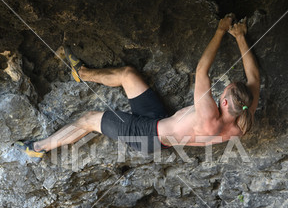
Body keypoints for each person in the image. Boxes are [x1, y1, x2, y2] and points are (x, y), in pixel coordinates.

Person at [17, 14, 260, 159]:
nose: (222, 90)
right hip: (158, 121)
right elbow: (254, 78)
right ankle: (82, 73)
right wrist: (239, 36)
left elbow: (201, 70)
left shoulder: (209, 115)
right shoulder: (243, 116)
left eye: (224, 90)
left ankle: (38, 147)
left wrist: (220, 31)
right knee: (128, 74)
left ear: (225, 102)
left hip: (146, 136)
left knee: (88, 119)